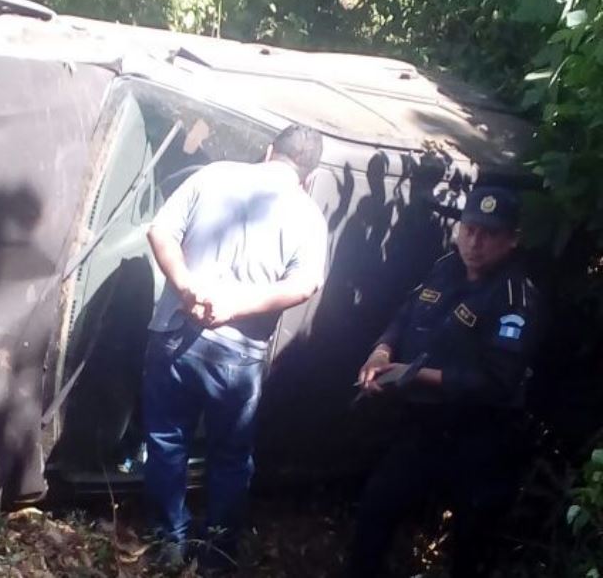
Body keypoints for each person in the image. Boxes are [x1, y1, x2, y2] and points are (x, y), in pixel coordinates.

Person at [142, 123, 328, 572]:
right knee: (230, 457)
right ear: (310, 175)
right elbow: (305, 285)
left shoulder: (212, 175)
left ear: (269, 151)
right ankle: (218, 553)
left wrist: (187, 289)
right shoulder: (308, 215)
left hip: (175, 335)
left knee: (167, 442)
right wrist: (236, 307)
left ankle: (170, 541)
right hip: (238, 355)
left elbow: (159, 232)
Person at [347, 186, 543, 578]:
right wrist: (382, 351)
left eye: (489, 234)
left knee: (471, 542)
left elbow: (495, 382)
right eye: (469, 229)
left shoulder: (515, 297)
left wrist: (414, 374)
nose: (475, 242)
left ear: (512, 240)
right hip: (424, 426)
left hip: (480, 436)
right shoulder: (445, 268)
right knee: (377, 507)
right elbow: (406, 315)